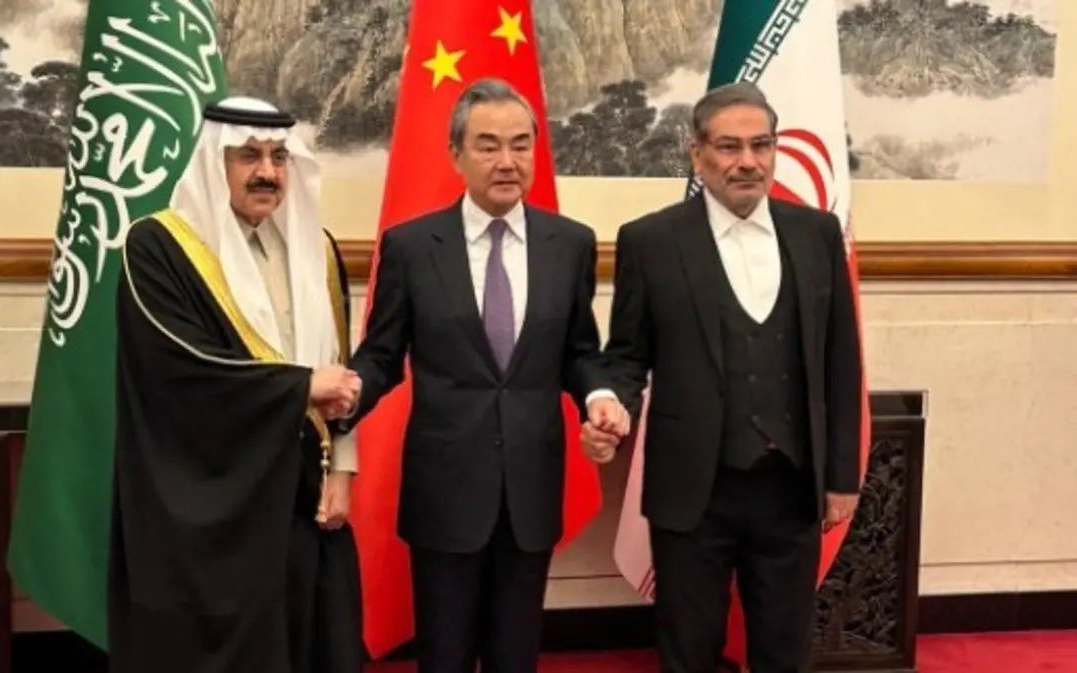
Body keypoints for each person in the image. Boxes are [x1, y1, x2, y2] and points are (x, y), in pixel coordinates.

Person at [339, 78, 629, 673]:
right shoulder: (412, 247)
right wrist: (344, 395)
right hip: (445, 489)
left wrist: (599, 395)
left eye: (520, 145)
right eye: (488, 145)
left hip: (530, 488)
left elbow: (579, 351)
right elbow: (382, 356)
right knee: (443, 657)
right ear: (456, 154)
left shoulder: (569, 244)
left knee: (514, 657)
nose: (507, 161)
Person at [588, 82, 862, 673]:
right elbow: (628, 356)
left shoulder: (817, 235)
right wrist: (610, 405)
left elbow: (841, 360)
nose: (748, 162)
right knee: (689, 651)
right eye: (729, 147)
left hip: (791, 485)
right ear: (698, 155)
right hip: (692, 489)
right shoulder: (650, 241)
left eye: (761, 145)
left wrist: (842, 476)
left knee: (784, 652)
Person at [109, 96, 364, 673]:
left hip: (302, 497)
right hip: (207, 505)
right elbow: (183, 371)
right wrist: (300, 388)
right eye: (248, 156)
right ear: (213, 162)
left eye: (279, 157)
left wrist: (343, 468)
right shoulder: (159, 248)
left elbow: (339, 367)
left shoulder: (315, 250)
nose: (267, 172)